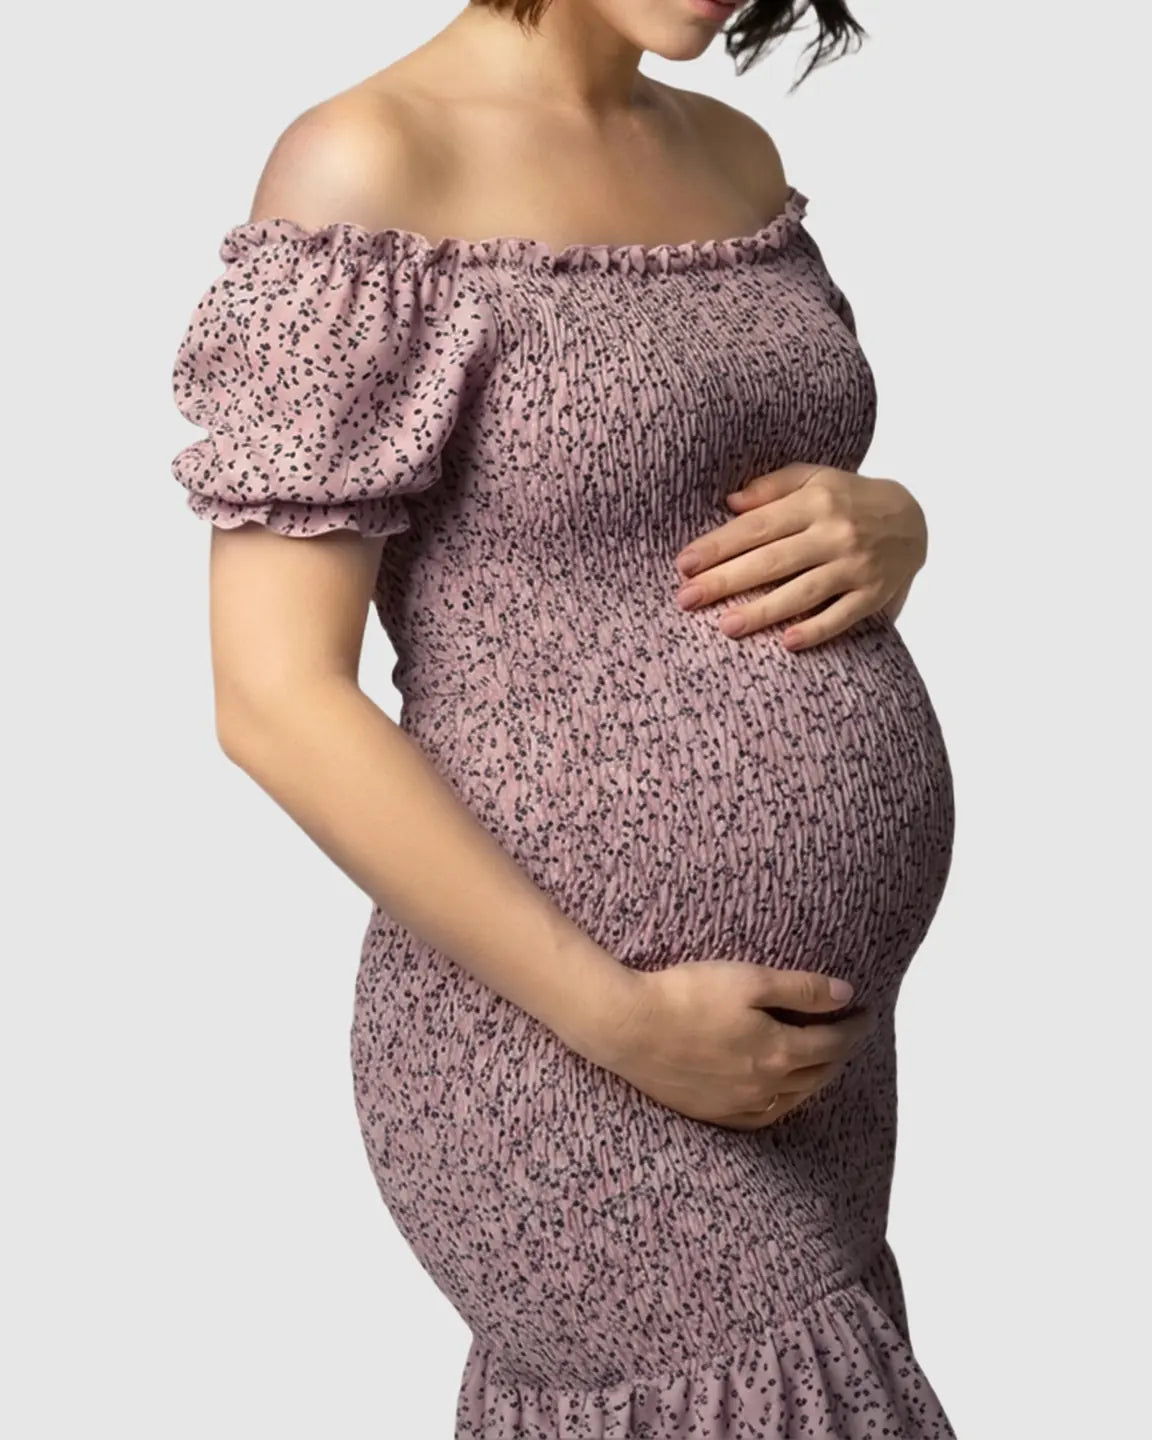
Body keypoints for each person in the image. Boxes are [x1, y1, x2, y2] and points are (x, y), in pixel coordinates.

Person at [168, 2, 957, 1435]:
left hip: (804, 1059)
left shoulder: (733, 153)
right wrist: (625, 1021)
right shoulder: (368, 163)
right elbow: (274, 696)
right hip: (560, 1044)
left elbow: (736, 500)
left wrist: (896, 523)